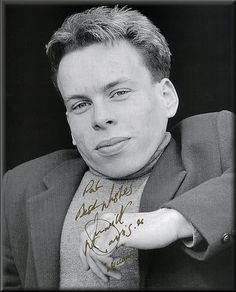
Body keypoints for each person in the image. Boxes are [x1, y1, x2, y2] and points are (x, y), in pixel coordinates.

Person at [2, 5, 234, 290]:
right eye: (80, 105)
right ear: (69, 124)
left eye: (119, 93)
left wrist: (171, 221)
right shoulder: (20, 186)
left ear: (166, 97)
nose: (100, 118)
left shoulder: (216, 139)